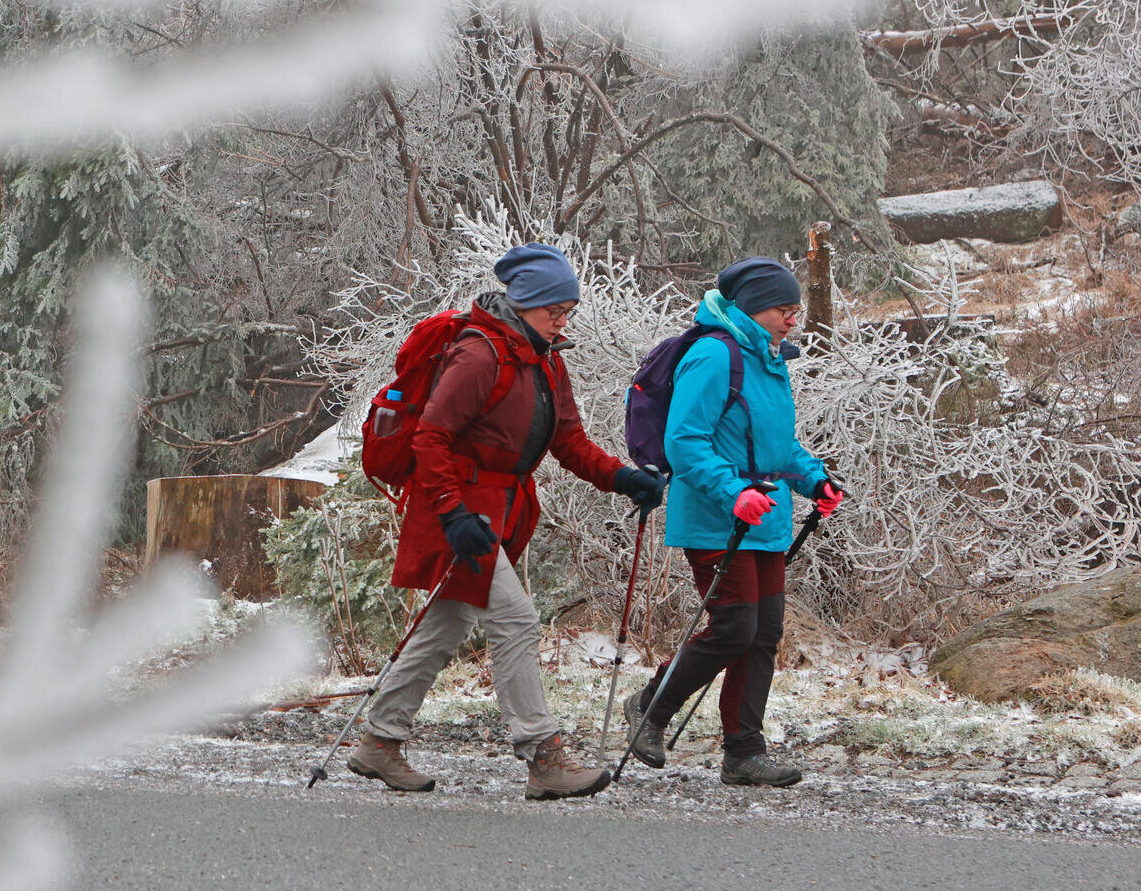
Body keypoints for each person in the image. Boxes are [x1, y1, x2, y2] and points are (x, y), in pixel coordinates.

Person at [348, 243, 664, 799]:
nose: (562, 321)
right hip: (456, 508)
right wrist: (452, 513)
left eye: (568, 310)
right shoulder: (478, 355)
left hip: (496, 510)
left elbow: (568, 441)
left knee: (446, 623)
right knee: (516, 620)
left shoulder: (546, 358)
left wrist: (622, 477)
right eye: (553, 311)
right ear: (523, 305)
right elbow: (431, 437)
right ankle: (543, 756)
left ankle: (379, 740)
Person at [622, 256, 843, 788]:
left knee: (762, 633)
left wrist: (814, 480)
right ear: (752, 308)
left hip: (764, 518)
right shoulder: (713, 354)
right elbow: (685, 441)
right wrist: (733, 491)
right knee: (734, 628)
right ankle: (649, 708)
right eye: (783, 309)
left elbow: (778, 445)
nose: (794, 320)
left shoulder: (768, 360)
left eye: (797, 310)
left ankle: (744, 751)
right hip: (717, 517)